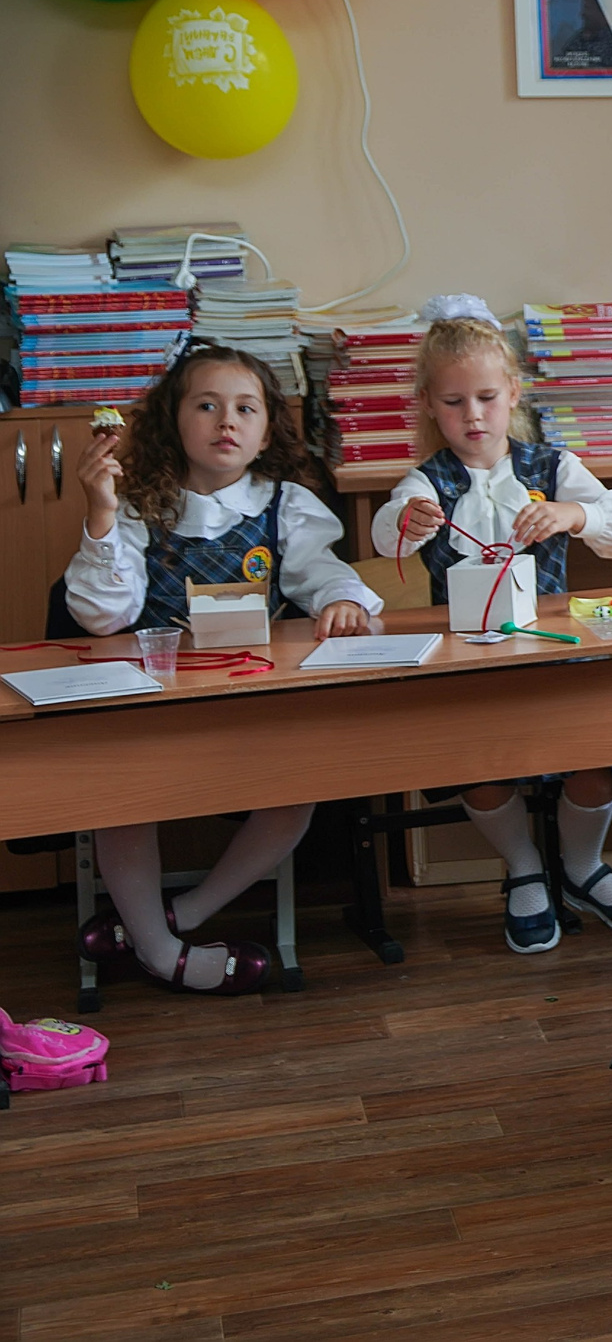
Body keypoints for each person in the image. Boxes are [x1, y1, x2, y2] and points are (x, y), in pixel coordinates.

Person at [65, 345, 382, 995]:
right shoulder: (135, 505)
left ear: (267, 430)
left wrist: (343, 600)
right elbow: (100, 618)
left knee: (297, 791)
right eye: (205, 405)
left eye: (245, 408)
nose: (225, 421)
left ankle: (180, 916)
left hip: (247, 697)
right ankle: (160, 952)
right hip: (155, 699)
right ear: (172, 422)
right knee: (119, 797)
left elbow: (321, 573)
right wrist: (99, 509)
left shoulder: (284, 505)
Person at [369, 296, 612, 952]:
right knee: (483, 758)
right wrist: (407, 522)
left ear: (514, 393)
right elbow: (391, 522)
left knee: (591, 754)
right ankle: (524, 867)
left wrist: (574, 516)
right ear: (427, 404)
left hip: (555, 651)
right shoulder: (426, 480)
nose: (472, 416)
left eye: (487, 397)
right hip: (468, 659)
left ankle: (581, 868)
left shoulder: (553, 467)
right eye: (452, 402)